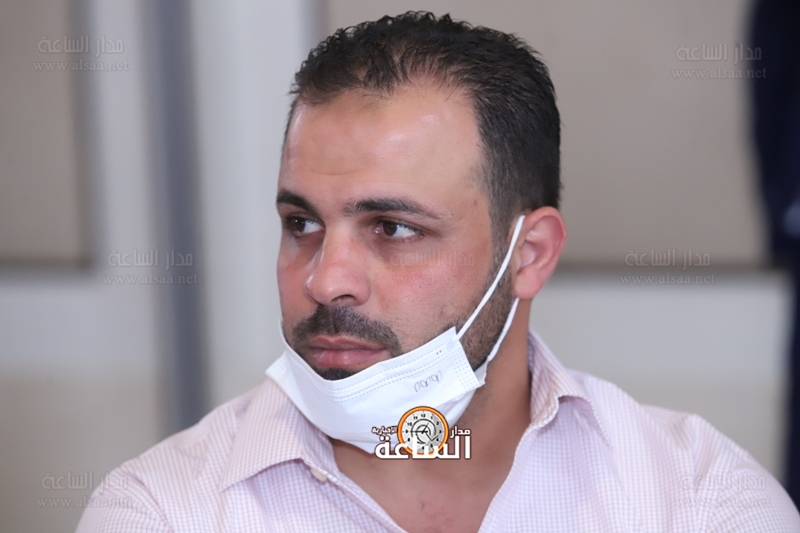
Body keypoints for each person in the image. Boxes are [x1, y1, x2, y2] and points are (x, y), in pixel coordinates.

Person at [77, 12, 800, 532]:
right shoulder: (165, 509)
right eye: (302, 224)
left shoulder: (696, 501)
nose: (326, 281)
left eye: (392, 228)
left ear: (529, 254)